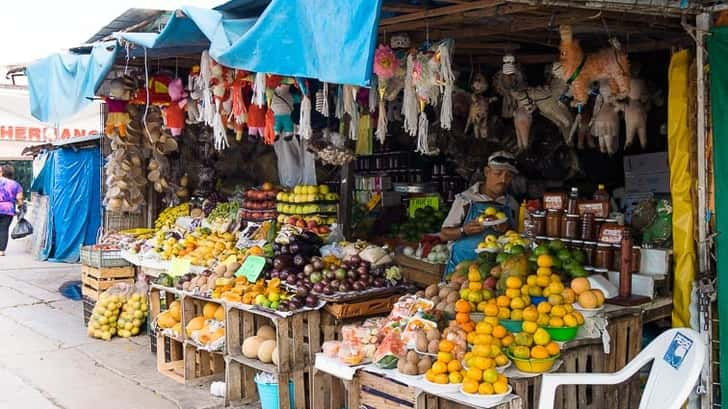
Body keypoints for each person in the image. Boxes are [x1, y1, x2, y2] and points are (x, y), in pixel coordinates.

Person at [440, 151, 519, 274]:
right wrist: (463, 230)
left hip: (495, 270)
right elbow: (444, 234)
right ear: (487, 172)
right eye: (498, 173)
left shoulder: (512, 204)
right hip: (461, 268)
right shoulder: (466, 199)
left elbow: (518, 237)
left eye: (508, 176)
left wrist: (506, 230)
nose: (503, 179)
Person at [0, 165, 24, 256]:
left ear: (2, 172)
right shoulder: (15, 184)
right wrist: (21, 207)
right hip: (8, 209)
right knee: (3, 229)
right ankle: (1, 251)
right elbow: (19, 198)